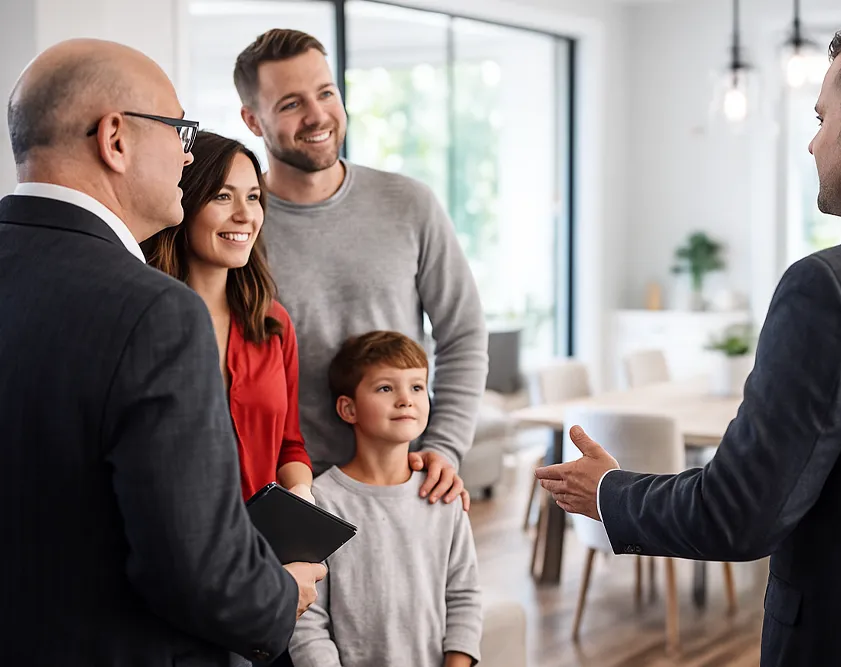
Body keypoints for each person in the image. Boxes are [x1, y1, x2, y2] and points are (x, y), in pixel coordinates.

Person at [537, 12, 841, 667]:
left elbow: (743, 510)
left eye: (819, 120)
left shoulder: (831, 286)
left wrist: (609, 491)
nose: (812, 145)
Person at [0, 39, 326, 665]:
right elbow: (196, 568)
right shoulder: (155, 313)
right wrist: (281, 595)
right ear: (114, 139)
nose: (186, 151)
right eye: (180, 128)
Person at [233, 29, 488, 509]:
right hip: (287, 495)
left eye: (326, 93)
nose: (317, 115)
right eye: (290, 104)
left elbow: (464, 332)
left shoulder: (408, 203)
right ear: (253, 120)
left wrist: (445, 446)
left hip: (404, 485)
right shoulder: (239, 224)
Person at [289, 330, 482, 667]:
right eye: (385, 387)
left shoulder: (443, 495)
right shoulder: (320, 503)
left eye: (417, 387)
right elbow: (307, 622)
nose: (406, 399)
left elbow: (464, 597)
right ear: (348, 408)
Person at [144, 131, 314, 503]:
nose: (245, 215)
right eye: (223, 196)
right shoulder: (143, 323)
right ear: (183, 201)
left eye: (253, 197)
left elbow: (289, 445)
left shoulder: (273, 323)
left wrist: (301, 493)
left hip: (263, 547)